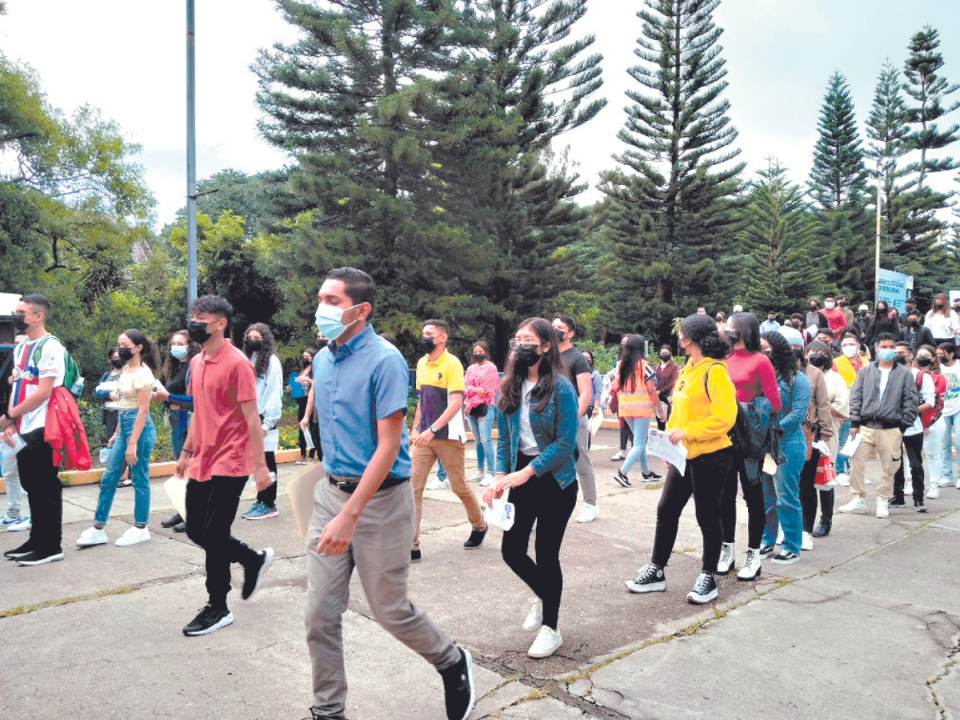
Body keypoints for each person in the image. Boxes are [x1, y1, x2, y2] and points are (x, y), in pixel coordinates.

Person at [305, 268, 476, 720]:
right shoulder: (322, 361)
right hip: (331, 497)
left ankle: (451, 661)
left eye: (333, 300)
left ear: (361, 310)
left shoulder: (386, 360)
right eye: (321, 298)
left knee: (390, 610)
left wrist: (350, 515)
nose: (321, 308)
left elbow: (387, 445)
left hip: (381, 502)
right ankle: (328, 710)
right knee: (318, 614)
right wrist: (328, 498)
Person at [173, 295, 275, 636]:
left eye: (202, 317)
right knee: (195, 530)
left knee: (214, 535)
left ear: (220, 323)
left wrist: (260, 468)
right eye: (193, 315)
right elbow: (200, 412)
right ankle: (251, 558)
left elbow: (251, 418)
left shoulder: (237, 363)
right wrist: (187, 450)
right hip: (202, 457)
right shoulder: (197, 362)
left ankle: (218, 606)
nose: (195, 321)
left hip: (232, 460)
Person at [483, 318, 579, 659]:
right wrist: (498, 476)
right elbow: (506, 438)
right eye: (517, 339)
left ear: (545, 347)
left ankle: (551, 629)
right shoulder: (509, 385)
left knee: (547, 554)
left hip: (556, 481)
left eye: (528, 340)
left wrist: (526, 473)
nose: (520, 345)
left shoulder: (562, 388)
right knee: (511, 550)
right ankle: (544, 594)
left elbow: (566, 444)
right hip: (521, 479)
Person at [625, 314, 737, 605]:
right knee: (667, 508)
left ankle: (708, 576)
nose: (678, 336)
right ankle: (657, 569)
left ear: (693, 337)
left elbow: (725, 418)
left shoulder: (714, 371)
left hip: (711, 455)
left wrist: (687, 433)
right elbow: (677, 411)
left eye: (682, 332)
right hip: (684, 455)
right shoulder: (689, 368)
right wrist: (670, 448)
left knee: (707, 516)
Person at [76, 329, 160, 549]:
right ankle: (98, 528)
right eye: (118, 343)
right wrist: (117, 434)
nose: (120, 348)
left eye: (125, 344)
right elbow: (125, 405)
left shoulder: (144, 374)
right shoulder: (125, 369)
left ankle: (141, 527)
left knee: (140, 478)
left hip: (139, 431)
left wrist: (132, 442)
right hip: (125, 427)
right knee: (109, 478)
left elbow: (142, 411)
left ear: (138, 348)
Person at [410, 319, 487, 561]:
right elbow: (423, 400)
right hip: (424, 436)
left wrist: (432, 429)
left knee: (458, 485)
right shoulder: (422, 363)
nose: (424, 337)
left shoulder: (452, 363)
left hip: (447, 435)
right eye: (423, 333)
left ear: (442, 338)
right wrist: (415, 429)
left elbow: (455, 403)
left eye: (429, 333)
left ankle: (479, 525)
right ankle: (411, 545)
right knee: (411, 488)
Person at [1, 295, 67, 565]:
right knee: (31, 485)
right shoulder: (22, 347)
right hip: (23, 426)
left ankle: (51, 545)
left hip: (44, 427)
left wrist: (7, 416)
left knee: (45, 487)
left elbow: (43, 392)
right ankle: (37, 539)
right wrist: (13, 423)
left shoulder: (50, 346)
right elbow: (17, 387)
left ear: (38, 316)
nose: (17, 317)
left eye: (21, 312)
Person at [717, 312, 782, 580]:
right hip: (724, 433)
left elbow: (775, 402)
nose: (728, 330)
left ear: (745, 329)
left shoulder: (760, 360)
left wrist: (746, 407)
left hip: (751, 435)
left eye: (733, 326)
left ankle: (753, 554)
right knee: (725, 495)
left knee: (753, 495)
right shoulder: (723, 359)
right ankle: (726, 549)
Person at [838, 333, 919, 519]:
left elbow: (910, 401)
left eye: (891, 347)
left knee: (889, 465)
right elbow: (856, 396)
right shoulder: (866, 371)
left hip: (891, 428)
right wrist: (855, 422)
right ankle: (858, 498)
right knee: (856, 461)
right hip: (865, 427)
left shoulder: (904, 374)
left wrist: (903, 425)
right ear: (876, 348)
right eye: (884, 346)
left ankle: (883, 499)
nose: (888, 350)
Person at [758, 331, 811, 564]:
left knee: (786, 496)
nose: (761, 352)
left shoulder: (797, 380)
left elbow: (799, 413)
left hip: (787, 444)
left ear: (777, 349)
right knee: (766, 497)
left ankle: (791, 545)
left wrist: (774, 431)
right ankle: (767, 540)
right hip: (763, 445)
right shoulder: (759, 378)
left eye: (764, 347)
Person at [787, 334, 832, 552]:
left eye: (797, 345)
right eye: (789, 346)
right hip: (783, 434)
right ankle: (787, 529)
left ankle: (806, 530)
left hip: (808, 434)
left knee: (805, 484)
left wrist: (825, 437)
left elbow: (823, 405)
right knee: (785, 484)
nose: (793, 349)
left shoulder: (815, 373)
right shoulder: (778, 370)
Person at [552, 314, 598, 523]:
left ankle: (590, 504)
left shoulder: (577, 358)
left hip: (572, 419)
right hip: (547, 419)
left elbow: (586, 393)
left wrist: (572, 419)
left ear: (570, 333)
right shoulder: (545, 355)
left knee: (581, 462)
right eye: (553, 326)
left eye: (560, 327)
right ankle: (541, 508)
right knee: (545, 463)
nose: (555, 329)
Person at [804, 341, 848, 538]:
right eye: (813, 352)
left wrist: (820, 402)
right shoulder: (803, 375)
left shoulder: (835, 378)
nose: (817, 355)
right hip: (806, 433)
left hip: (827, 431)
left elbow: (841, 407)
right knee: (806, 480)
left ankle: (826, 520)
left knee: (825, 476)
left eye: (822, 352)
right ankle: (806, 523)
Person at [240, 323, 284, 520]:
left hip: (264, 417)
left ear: (265, 340)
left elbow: (274, 392)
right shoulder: (250, 359)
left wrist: (267, 423)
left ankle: (269, 503)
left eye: (257, 337)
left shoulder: (272, 362)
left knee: (266, 461)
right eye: (250, 337)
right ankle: (261, 499)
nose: (253, 341)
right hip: (250, 415)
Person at [612, 335, 667, 486]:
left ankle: (646, 472)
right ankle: (622, 472)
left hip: (626, 409)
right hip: (642, 409)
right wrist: (660, 410)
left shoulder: (620, 365)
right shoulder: (644, 366)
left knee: (638, 441)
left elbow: (615, 387)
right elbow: (651, 389)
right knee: (640, 443)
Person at [159, 330, 199, 533]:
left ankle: (192, 514)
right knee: (180, 467)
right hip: (176, 420)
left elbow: (194, 400)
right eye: (173, 343)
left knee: (188, 467)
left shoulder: (194, 367)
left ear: (190, 346)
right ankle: (181, 510)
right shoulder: (177, 367)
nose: (175, 346)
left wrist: (168, 397)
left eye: (180, 343)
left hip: (187, 419)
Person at [891, 342, 933, 512]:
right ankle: (898, 496)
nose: (897, 355)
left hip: (913, 426)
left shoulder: (921, 377)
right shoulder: (889, 375)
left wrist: (909, 410)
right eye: (895, 352)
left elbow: (930, 402)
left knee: (915, 463)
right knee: (895, 463)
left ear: (910, 356)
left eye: (901, 352)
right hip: (892, 426)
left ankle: (918, 498)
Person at [1, 332, 30, 532]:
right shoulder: (9, 370)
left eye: (22, 344)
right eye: (15, 344)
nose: (17, 348)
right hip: (10, 428)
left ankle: (36, 515)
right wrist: (7, 425)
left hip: (29, 428)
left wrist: (9, 420)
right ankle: (13, 513)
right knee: (9, 471)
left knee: (32, 474)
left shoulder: (34, 371)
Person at [834, 331, 871, 484]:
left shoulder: (867, 362)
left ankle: (855, 472)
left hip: (865, 409)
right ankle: (839, 471)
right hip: (845, 409)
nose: (849, 347)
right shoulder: (836, 362)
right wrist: (838, 412)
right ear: (841, 347)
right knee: (843, 441)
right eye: (845, 345)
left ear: (859, 346)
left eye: (852, 344)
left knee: (858, 442)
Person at [464, 341, 499, 486]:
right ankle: (480, 471)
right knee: (477, 441)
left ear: (486, 352)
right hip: (471, 409)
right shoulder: (471, 368)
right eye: (475, 351)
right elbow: (465, 387)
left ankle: (492, 472)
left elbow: (487, 391)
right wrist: (474, 390)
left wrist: (471, 403)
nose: (478, 354)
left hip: (485, 408)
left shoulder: (491, 369)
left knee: (486, 440)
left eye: (480, 351)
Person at [917, 345, 947, 499]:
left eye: (926, 354)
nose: (922, 357)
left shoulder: (939, 378)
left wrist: (927, 424)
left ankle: (934, 485)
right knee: (912, 455)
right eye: (920, 354)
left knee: (933, 454)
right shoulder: (913, 375)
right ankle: (911, 483)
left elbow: (937, 404)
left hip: (933, 422)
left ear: (933, 358)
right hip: (915, 422)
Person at [292, 347, 322, 465]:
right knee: (302, 426)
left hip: (312, 401)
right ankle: (303, 453)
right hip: (301, 400)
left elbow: (316, 385)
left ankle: (312, 454)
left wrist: (307, 380)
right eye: (304, 357)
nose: (305, 359)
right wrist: (292, 388)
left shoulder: (316, 370)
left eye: (307, 357)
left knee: (313, 428)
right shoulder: (302, 370)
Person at [936, 342, 960, 489]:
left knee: (959, 443)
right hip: (942, 410)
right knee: (944, 444)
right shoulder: (937, 369)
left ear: (951, 354)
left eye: (942, 353)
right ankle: (946, 475)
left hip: (958, 408)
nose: (939, 356)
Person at [94, 346, 125, 444]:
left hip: (124, 411)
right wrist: (108, 393)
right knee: (111, 440)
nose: (118, 360)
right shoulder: (106, 375)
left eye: (119, 357)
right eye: (115, 357)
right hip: (109, 414)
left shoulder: (128, 373)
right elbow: (97, 392)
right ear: (110, 359)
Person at [654, 345, 678, 430]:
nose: (664, 355)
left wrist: (660, 391)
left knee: (667, 422)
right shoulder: (657, 367)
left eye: (666, 353)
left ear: (670, 354)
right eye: (662, 353)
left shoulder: (674, 368)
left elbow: (672, 383)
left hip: (667, 398)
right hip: (657, 398)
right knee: (659, 421)